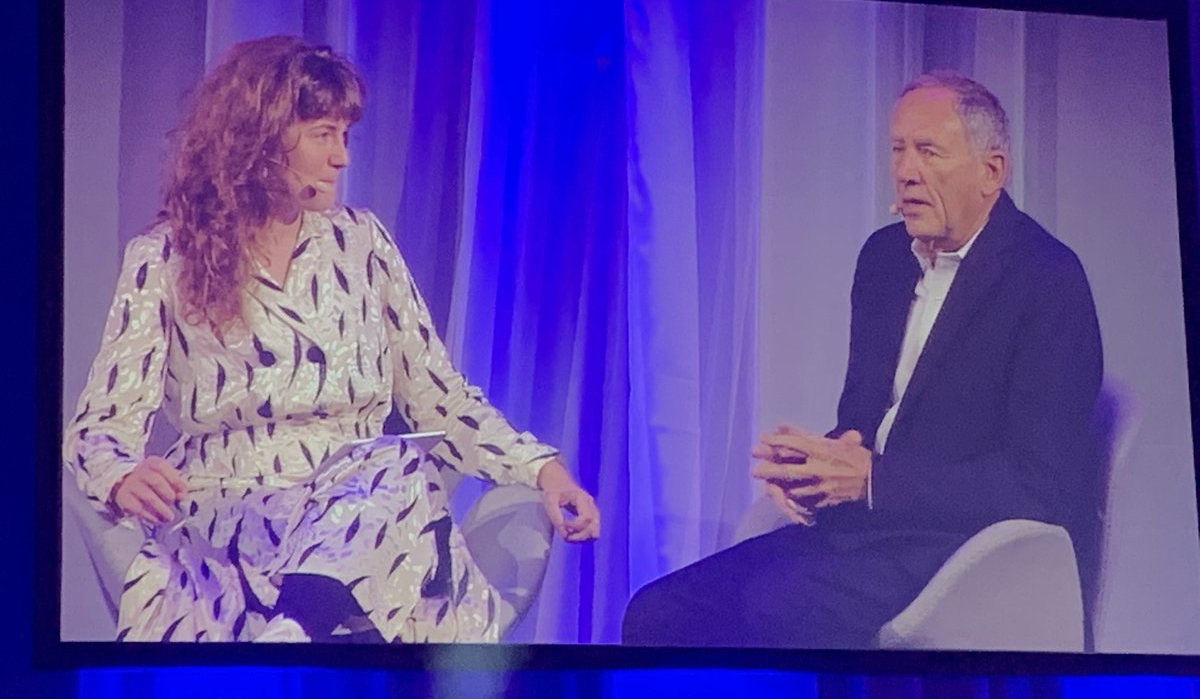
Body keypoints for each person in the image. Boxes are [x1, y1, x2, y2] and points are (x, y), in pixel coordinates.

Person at [64, 35, 600, 644]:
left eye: (345, 136)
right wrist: (121, 476)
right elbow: (100, 424)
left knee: (396, 465)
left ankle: (298, 628)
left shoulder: (362, 244)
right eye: (323, 134)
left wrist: (544, 469)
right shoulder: (165, 257)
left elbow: (439, 398)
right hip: (234, 511)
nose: (341, 157)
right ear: (259, 137)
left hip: (366, 502)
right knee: (389, 485)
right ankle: (298, 627)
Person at [621, 71, 1102, 648]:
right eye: (898, 149)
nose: (906, 171)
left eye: (928, 152)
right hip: (859, 533)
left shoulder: (1047, 280)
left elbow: (1037, 485)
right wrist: (816, 467)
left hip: (956, 546)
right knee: (658, 612)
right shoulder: (884, 259)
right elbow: (863, 420)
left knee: (778, 612)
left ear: (991, 172)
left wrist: (872, 479)